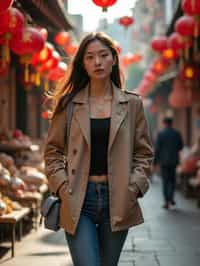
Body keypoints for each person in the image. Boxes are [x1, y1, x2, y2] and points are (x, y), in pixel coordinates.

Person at [44, 32, 153, 266]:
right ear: (82, 64)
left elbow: (143, 153)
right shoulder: (69, 104)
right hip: (78, 199)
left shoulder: (132, 104)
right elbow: (53, 152)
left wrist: (133, 187)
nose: (98, 62)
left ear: (114, 58)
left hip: (119, 197)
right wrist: (63, 187)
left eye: (103, 55)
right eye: (90, 57)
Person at [154, 117, 183, 209]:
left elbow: (157, 149)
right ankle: (171, 198)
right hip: (174, 161)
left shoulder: (160, 134)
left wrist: (155, 161)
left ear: (164, 123)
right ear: (171, 123)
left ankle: (166, 201)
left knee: (165, 181)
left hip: (163, 162)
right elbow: (181, 146)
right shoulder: (177, 133)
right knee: (172, 180)